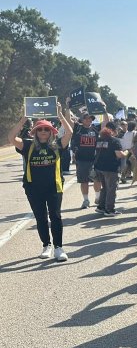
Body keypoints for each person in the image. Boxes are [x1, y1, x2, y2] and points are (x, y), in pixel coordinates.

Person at [7, 102, 73, 261]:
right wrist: (23, 119)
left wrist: (60, 115)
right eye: (40, 129)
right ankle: (46, 245)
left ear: (51, 132)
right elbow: (11, 138)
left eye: (46, 129)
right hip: (33, 188)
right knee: (41, 217)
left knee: (55, 216)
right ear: (35, 132)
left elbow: (69, 133)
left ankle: (58, 247)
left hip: (54, 187)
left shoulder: (56, 145)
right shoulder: (28, 145)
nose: (43, 131)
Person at [71, 106, 109, 208]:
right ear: (82, 120)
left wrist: (104, 109)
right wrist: (67, 107)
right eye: (86, 118)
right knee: (84, 181)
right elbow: (67, 121)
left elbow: (106, 122)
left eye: (90, 118)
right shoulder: (77, 128)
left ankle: (97, 198)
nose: (88, 120)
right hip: (81, 160)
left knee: (97, 180)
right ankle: (86, 200)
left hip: (95, 159)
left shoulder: (96, 128)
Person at [94, 122, 128, 216]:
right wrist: (126, 152)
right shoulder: (115, 141)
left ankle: (101, 207)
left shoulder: (99, 140)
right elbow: (119, 154)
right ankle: (109, 209)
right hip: (111, 168)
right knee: (111, 189)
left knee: (104, 188)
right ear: (113, 131)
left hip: (100, 167)